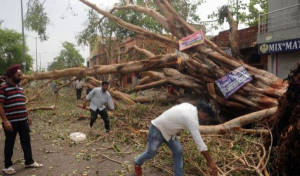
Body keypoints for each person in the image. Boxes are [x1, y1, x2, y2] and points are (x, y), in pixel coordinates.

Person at [134, 102, 218, 176]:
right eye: (206, 117)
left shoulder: (188, 106)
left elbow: (176, 118)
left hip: (169, 133)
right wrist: (211, 162)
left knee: (178, 150)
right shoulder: (191, 119)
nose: (205, 119)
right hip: (157, 129)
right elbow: (200, 144)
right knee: (151, 153)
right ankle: (137, 163)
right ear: (202, 112)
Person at [0, 64, 43, 175]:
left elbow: (22, 103)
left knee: (26, 141)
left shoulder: (20, 87)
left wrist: (27, 116)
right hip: (11, 122)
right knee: (10, 143)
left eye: (21, 75)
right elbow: (0, 105)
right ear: (12, 75)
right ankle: (7, 166)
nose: (21, 76)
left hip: (22, 120)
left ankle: (29, 161)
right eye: (19, 75)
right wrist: (5, 121)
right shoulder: (3, 87)